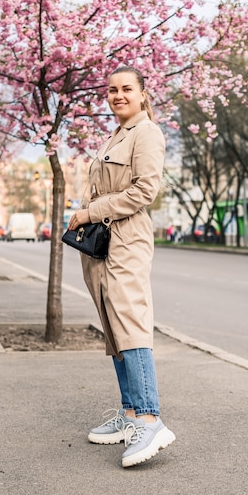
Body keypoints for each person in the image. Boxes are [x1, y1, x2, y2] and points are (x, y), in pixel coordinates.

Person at [67, 65, 175, 468]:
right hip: (102, 243)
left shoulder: (147, 133)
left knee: (130, 323)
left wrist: (92, 210)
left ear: (143, 94)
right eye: (112, 89)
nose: (118, 95)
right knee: (113, 327)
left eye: (127, 88)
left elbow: (145, 190)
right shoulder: (117, 135)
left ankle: (150, 419)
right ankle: (130, 415)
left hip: (126, 240)